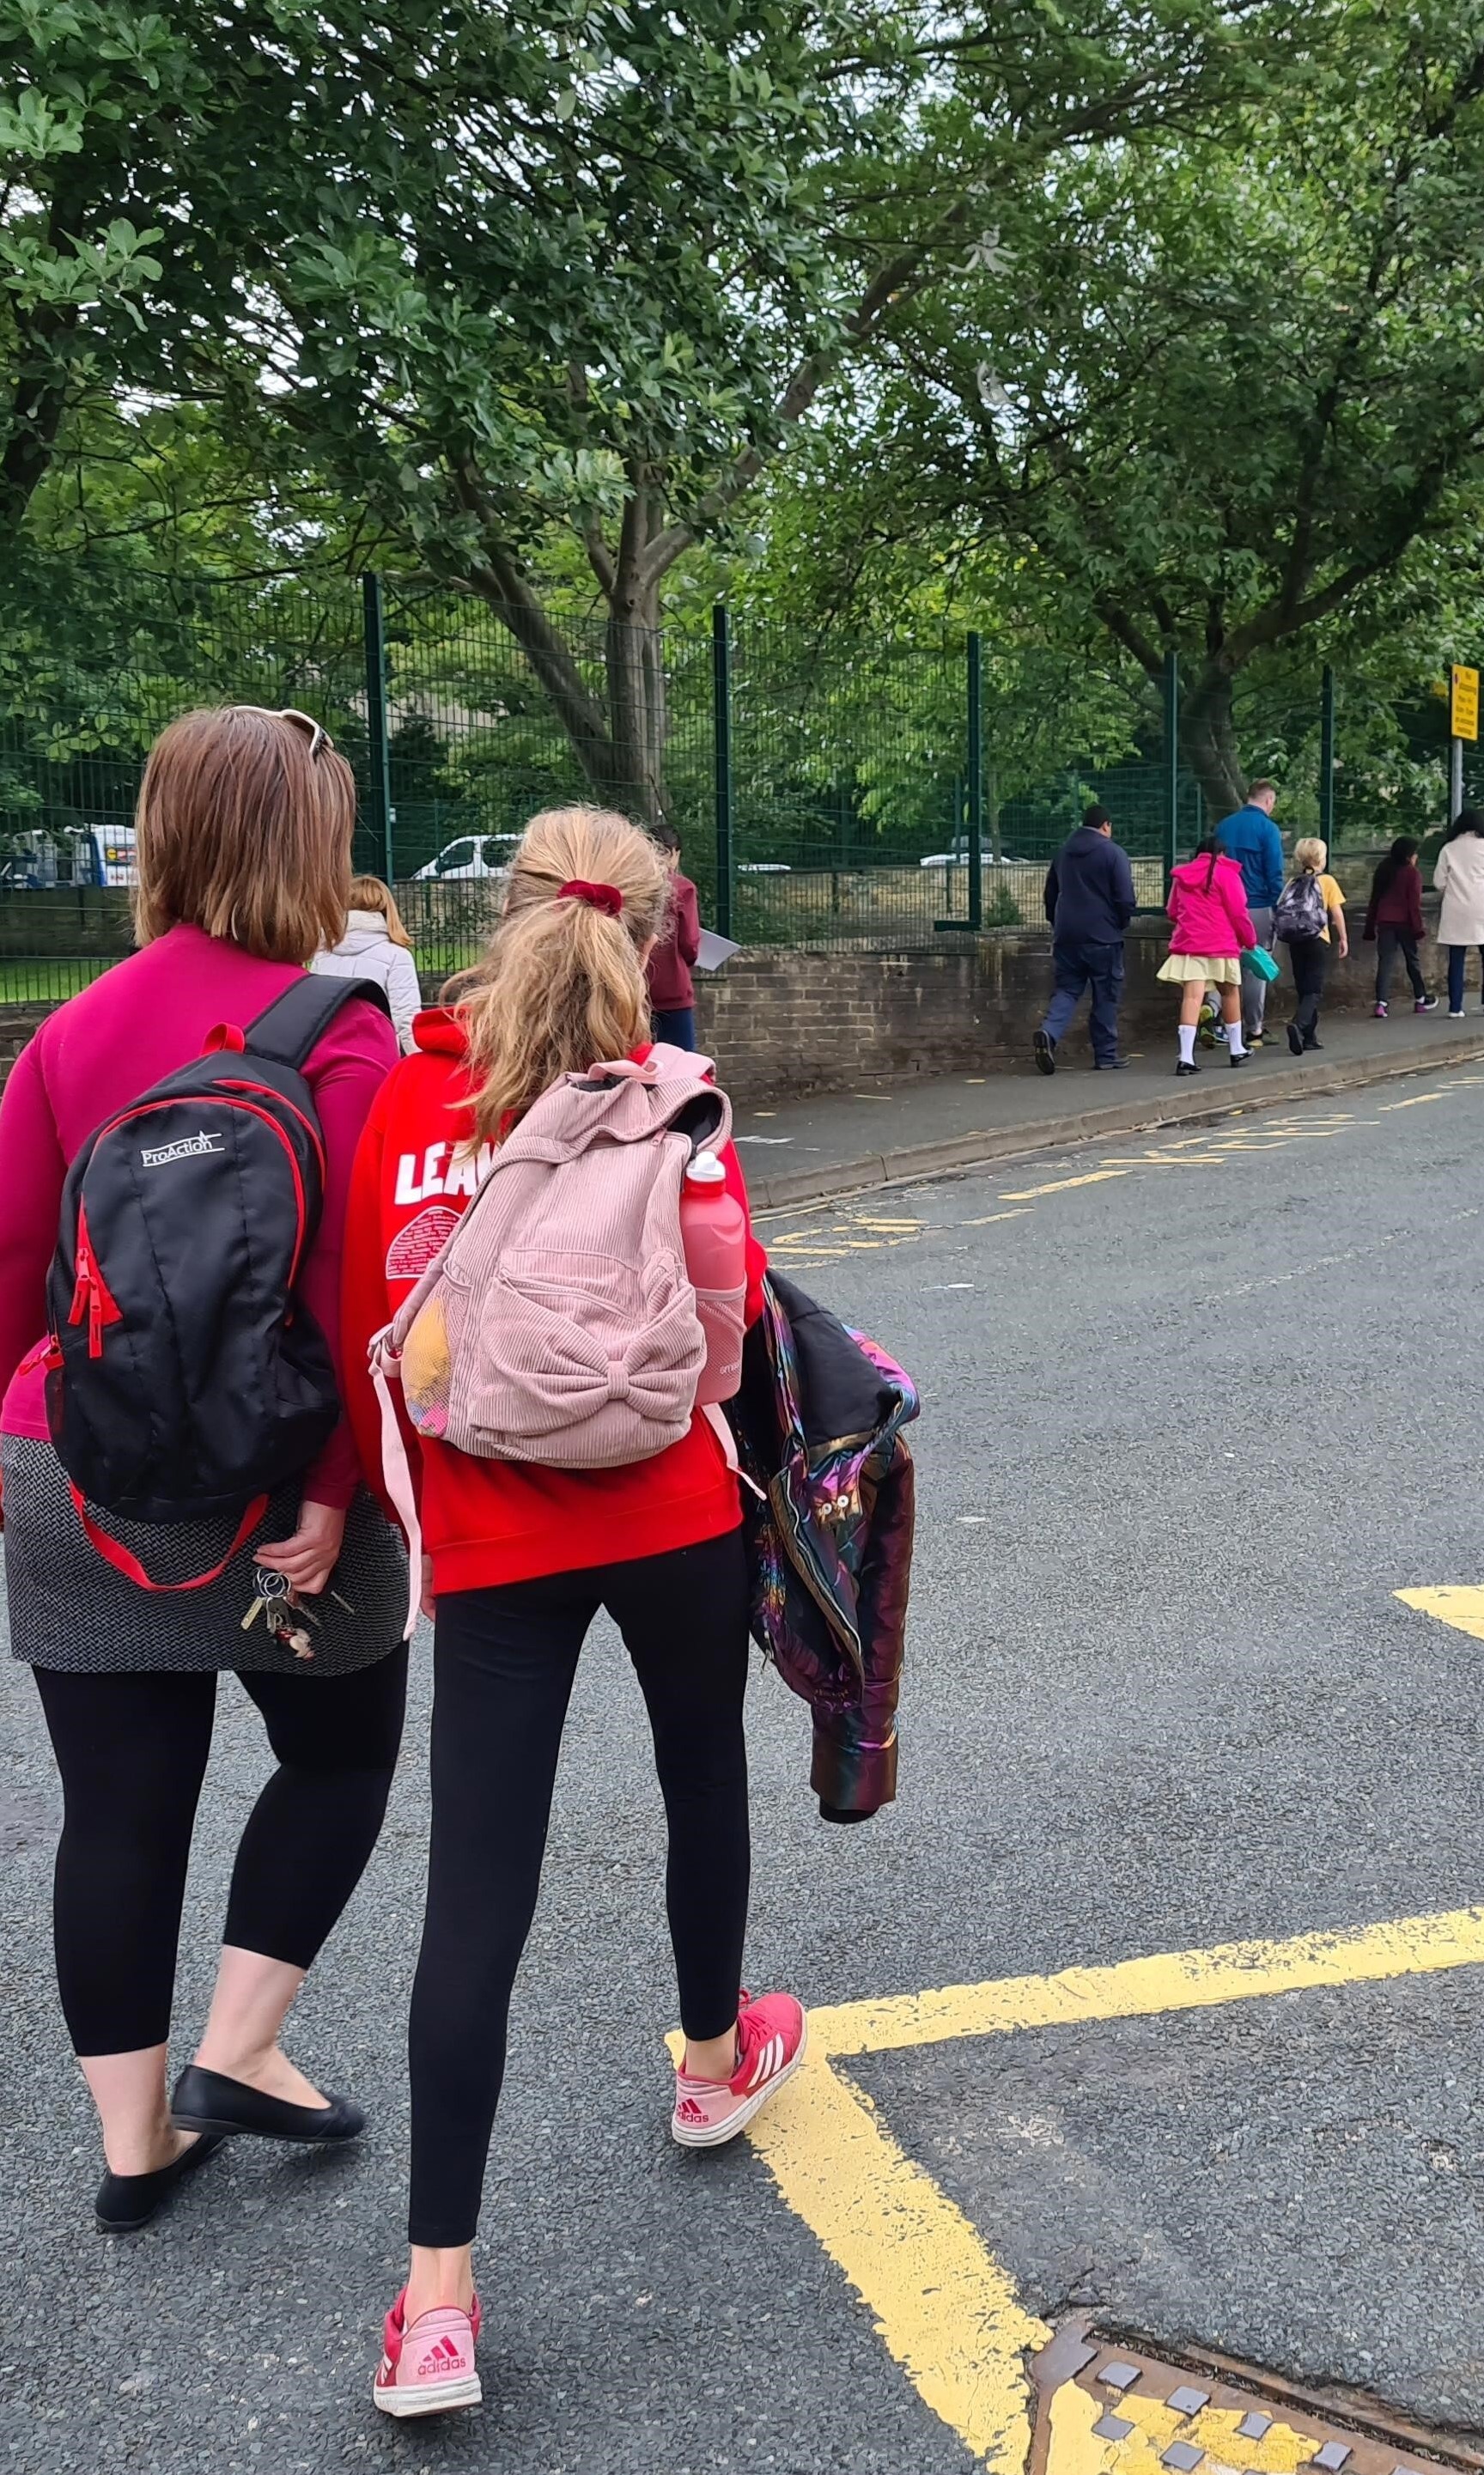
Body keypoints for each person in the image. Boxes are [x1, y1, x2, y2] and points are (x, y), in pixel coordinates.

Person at [342, 806, 800, 2417]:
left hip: (491, 1542)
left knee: (478, 1882)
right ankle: (706, 2064)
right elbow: (727, 1336)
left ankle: (437, 2304)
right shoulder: (681, 1101)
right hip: (670, 1508)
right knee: (700, 1779)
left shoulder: (409, 1098)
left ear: (503, 913)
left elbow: (370, 1345)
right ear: (658, 937)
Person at [0, 706, 408, 2232]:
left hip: (73, 1461)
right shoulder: (339, 1028)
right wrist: (337, 1484)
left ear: (161, 836)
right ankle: (242, 2046)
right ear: (315, 844)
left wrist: (12, 1444)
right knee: (342, 1754)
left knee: (116, 1806)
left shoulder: (71, 1028)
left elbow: (14, 1256)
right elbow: (359, 1290)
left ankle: (132, 2148)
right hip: (281, 1484)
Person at [1037, 803, 1136, 1072]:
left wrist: (1057, 923)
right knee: (1105, 994)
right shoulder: (1113, 853)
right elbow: (1125, 898)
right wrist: (1120, 923)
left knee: (1067, 990)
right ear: (1107, 825)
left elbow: (1050, 894)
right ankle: (1106, 1055)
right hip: (1104, 935)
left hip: (1067, 934)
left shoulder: (1064, 853)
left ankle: (1049, 1032)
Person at [1162, 830, 1256, 1076]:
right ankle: (1236, 1048)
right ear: (1222, 854)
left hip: (1190, 944)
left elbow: (1172, 911)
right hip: (1221, 944)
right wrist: (1250, 940)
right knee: (1230, 992)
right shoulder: (1227, 874)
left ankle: (1185, 1057)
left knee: (1192, 998)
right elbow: (1238, 913)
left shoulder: (1182, 877)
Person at [312, 873, 424, 1050]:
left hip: (327, 1050)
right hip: (377, 1051)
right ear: (387, 909)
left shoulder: (322, 954)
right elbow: (406, 1016)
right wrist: (418, 1059)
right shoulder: (397, 956)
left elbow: (315, 1010)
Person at [1217, 780, 1282, 1040]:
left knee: (1223, 963)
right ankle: (1254, 1028)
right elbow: (1274, 871)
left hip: (1222, 906)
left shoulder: (1223, 826)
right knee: (1256, 966)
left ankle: (1218, 1022)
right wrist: (1277, 907)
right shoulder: (1268, 829)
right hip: (1256, 905)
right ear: (1267, 801)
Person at [1274, 834, 1349, 1055]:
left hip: (1296, 940)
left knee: (1303, 988)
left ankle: (1309, 1037)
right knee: (1314, 990)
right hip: (1317, 938)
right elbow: (1336, 912)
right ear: (1321, 859)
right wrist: (1343, 938)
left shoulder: (1293, 882)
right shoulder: (1327, 881)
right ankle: (1298, 1024)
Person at [1433, 808, 1484, 1015]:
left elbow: (1439, 881)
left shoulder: (1449, 848)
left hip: (1456, 908)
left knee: (1456, 957)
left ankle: (1455, 1007)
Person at [647, 827, 704, 1048]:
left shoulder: (630, 886)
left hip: (636, 991)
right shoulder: (682, 887)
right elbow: (689, 944)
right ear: (674, 853)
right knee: (683, 1063)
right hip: (673, 990)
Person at [1365, 835, 1431, 1016]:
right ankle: (1420, 999)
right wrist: (1418, 928)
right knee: (1412, 961)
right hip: (1405, 923)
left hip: (1384, 921)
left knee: (1385, 962)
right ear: (1410, 856)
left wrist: (1369, 926)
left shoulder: (1384, 869)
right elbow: (1413, 905)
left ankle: (1381, 1003)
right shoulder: (1412, 873)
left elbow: (1375, 899)